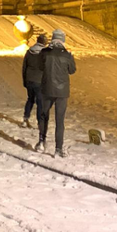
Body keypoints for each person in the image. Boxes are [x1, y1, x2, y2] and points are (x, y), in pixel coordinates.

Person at [35, 28, 76, 157]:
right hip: (62, 92)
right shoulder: (67, 54)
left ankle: (42, 141)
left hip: (47, 89)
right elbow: (72, 70)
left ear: (52, 39)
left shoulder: (45, 53)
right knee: (60, 120)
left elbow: (40, 67)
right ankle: (58, 148)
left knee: (44, 116)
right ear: (62, 40)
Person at [21, 33, 47, 128]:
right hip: (39, 81)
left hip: (29, 80)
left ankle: (25, 118)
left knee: (30, 99)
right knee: (40, 102)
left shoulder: (29, 52)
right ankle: (40, 123)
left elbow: (24, 67)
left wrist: (25, 80)